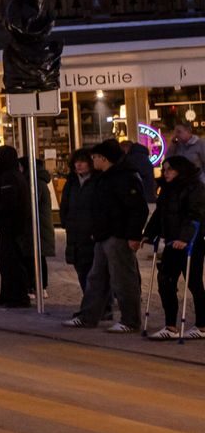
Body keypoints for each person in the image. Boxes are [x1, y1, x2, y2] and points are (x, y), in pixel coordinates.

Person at [66, 139, 149, 332]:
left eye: (94, 157)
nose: (92, 160)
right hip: (103, 235)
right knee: (96, 278)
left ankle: (130, 320)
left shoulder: (124, 177)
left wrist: (134, 235)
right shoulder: (104, 176)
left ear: (104, 158)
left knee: (122, 279)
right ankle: (88, 316)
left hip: (118, 235)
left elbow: (138, 209)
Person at [143, 156, 205, 339]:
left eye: (170, 169)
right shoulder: (167, 189)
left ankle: (202, 325)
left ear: (180, 170)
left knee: (193, 282)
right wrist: (149, 233)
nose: (165, 172)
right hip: (171, 241)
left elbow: (196, 215)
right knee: (165, 280)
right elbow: (160, 214)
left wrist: (185, 238)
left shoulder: (195, 188)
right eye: (164, 169)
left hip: (192, 242)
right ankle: (170, 326)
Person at [0, 146, 36, 308]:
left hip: (11, 226)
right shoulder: (7, 176)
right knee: (5, 261)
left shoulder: (10, 177)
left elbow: (9, 203)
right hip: (8, 226)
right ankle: (8, 294)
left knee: (11, 261)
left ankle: (17, 296)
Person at [60, 149, 98, 299]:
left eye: (83, 161)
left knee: (94, 272)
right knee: (81, 269)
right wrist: (66, 222)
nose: (79, 165)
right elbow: (65, 204)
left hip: (91, 233)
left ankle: (99, 306)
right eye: (76, 162)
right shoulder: (72, 182)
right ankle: (89, 303)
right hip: (75, 232)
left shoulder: (96, 181)